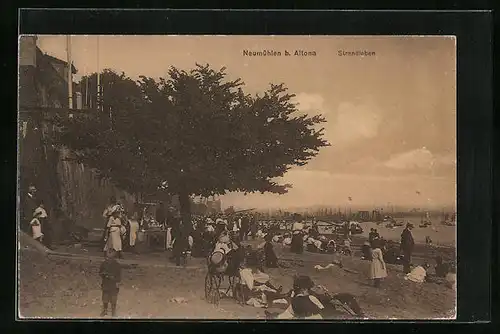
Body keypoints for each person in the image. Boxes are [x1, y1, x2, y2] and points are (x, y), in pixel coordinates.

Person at [99, 248, 122, 317]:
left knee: (113, 299)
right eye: (107, 257)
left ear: (114, 258)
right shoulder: (103, 264)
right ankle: (105, 310)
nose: (108, 259)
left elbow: (119, 276)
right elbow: (100, 272)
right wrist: (103, 274)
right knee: (105, 299)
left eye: (110, 258)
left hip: (113, 285)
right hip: (105, 284)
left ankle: (113, 312)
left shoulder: (117, 265)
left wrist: (115, 280)